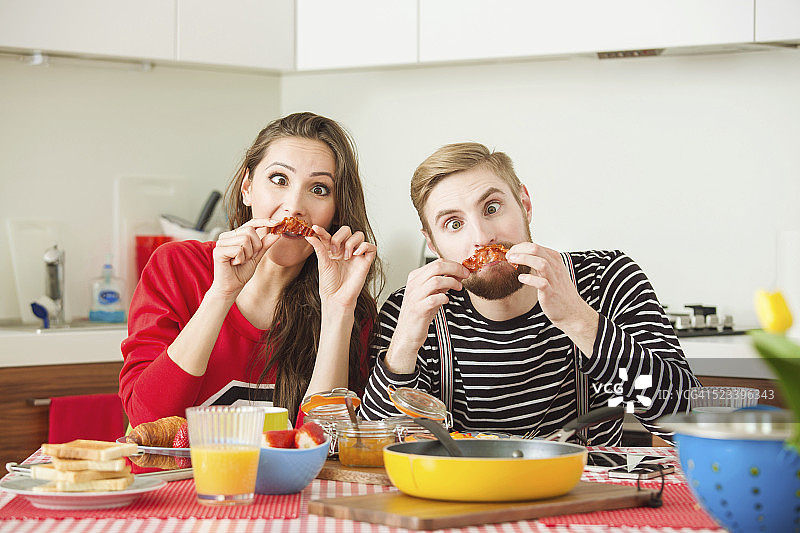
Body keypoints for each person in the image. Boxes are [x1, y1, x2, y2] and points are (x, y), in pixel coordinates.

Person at [360, 142, 699, 445]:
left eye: (492, 208)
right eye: (454, 224)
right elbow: (374, 446)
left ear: (524, 204)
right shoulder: (412, 311)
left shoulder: (606, 278)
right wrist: (402, 349)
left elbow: (687, 421)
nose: (482, 237)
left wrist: (580, 320)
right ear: (433, 244)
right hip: (461, 498)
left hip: (585, 497)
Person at [120, 112, 383, 428]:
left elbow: (324, 444)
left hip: (285, 480)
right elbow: (148, 420)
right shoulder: (177, 267)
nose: (294, 205)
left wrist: (338, 310)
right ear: (247, 187)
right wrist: (221, 294)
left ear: (335, 210)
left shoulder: (348, 304)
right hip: (174, 479)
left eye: (319, 189)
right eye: (279, 180)